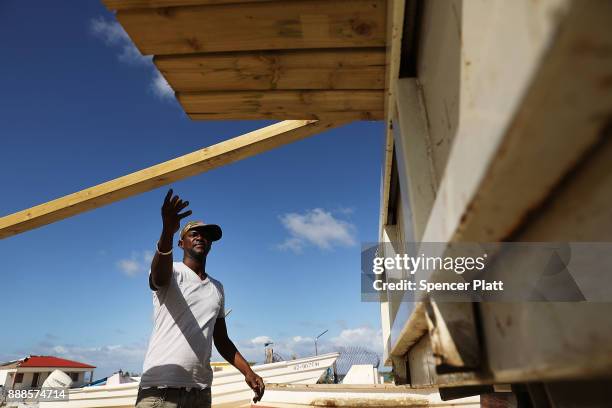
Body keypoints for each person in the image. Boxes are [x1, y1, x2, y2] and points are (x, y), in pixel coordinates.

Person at [136, 189, 264, 408]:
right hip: (161, 391)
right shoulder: (172, 271)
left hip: (200, 393)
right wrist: (167, 230)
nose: (200, 237)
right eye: (193, 233)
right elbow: (157, 278)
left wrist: (248, 372)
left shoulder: (217, 288)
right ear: (181, 243)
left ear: (211, 245)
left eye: (205, 235)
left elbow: (221, 340)